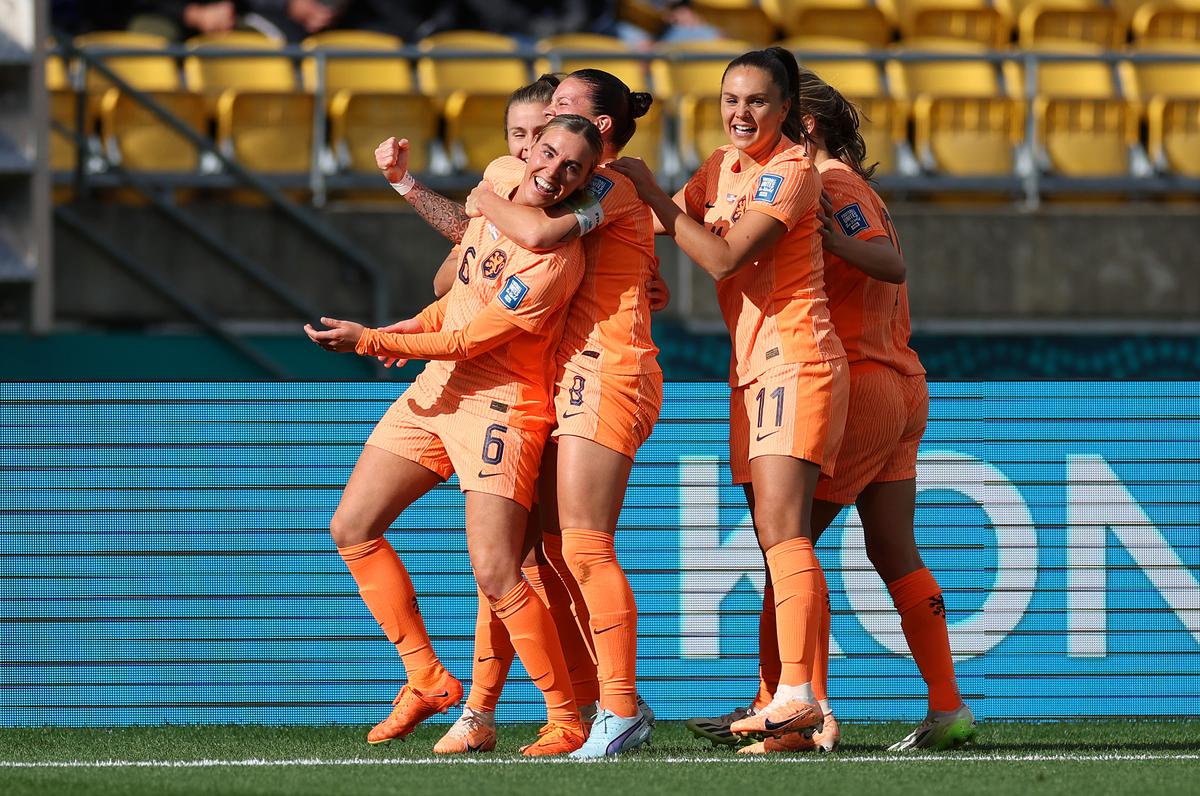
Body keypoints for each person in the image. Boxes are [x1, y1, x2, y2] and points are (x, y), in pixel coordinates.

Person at [305, 114, 604, 757]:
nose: (550, 171)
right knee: (351, 526)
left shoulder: (558, 256)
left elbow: (474, 338)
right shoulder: (498, 191)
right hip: (436, 389)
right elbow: (458, 301)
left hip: (500, 407)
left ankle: (566, 719)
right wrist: (408, 329)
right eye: (545, 154)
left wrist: (375, 341)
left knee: (500, 570)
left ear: (583, 182)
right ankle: (425, 678)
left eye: (570, 168)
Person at [609, 46, 848, 746]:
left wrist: (651, 193)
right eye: (731, 100)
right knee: (779, 540)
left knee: (785, 535)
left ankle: (799, 696)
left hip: (797, 358)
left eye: (758, 102)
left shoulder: (792, 172)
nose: (741, 113)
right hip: (752, 370)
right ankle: (796, 708)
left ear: (786, 112)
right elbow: (656, 224)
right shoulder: (722, 167)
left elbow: (718, 254)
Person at [734, 67, 975, 755]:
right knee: (891, 549)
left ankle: (792, 713)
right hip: (901, 381)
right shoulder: (849, 185)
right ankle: (947, 705)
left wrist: (834, 243)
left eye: (775, 115)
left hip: (861, 382)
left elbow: (888, 264)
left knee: (787, 551)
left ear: (803, 126)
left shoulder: (831, 184)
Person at [465, 67, 664, 758]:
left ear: (599, 128)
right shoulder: (587, 185)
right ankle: (601, 704)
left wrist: (485, 198)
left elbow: (536, 232)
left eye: (565, 106)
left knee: (581, 546)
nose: (551, 116)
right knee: (546, 551)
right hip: (571, 373)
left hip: (607, 370)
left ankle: (617, 710)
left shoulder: (608, 184)